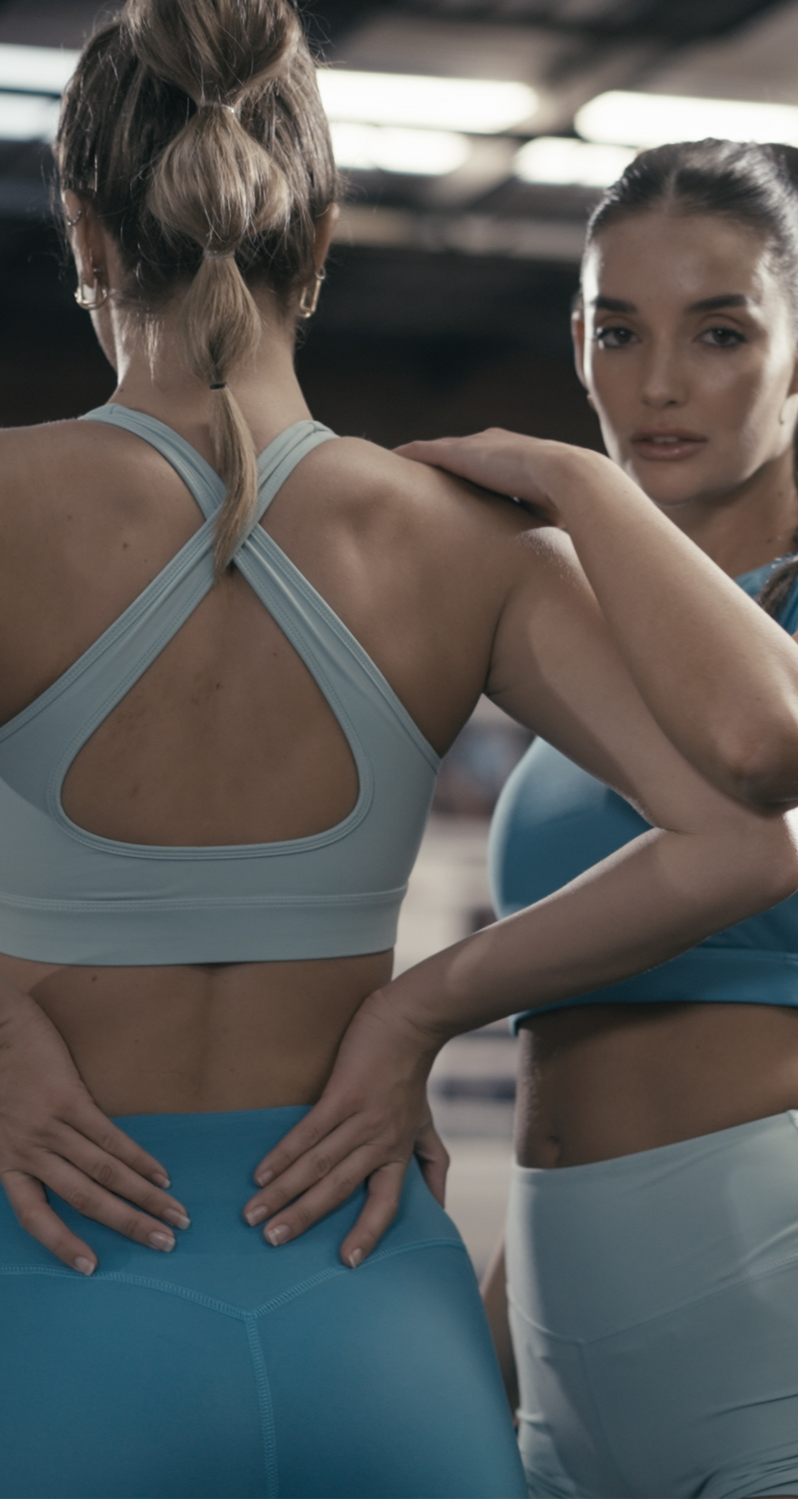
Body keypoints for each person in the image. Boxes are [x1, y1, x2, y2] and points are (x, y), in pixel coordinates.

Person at [0, 5, 798, 1485]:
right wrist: (420, 1011)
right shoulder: (466, 545)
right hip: (368, 1284)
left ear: (85, 226)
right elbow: (745, 834)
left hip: (56, 1271)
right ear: (317, 232)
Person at [354, 138, 798, 1499]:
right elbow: (574, 1052)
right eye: (620, 332)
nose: (658, 384)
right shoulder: (591, 646)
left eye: (720, 332)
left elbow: (759, 746)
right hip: (567, 1339)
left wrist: (579, 483)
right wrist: (509, 1341)